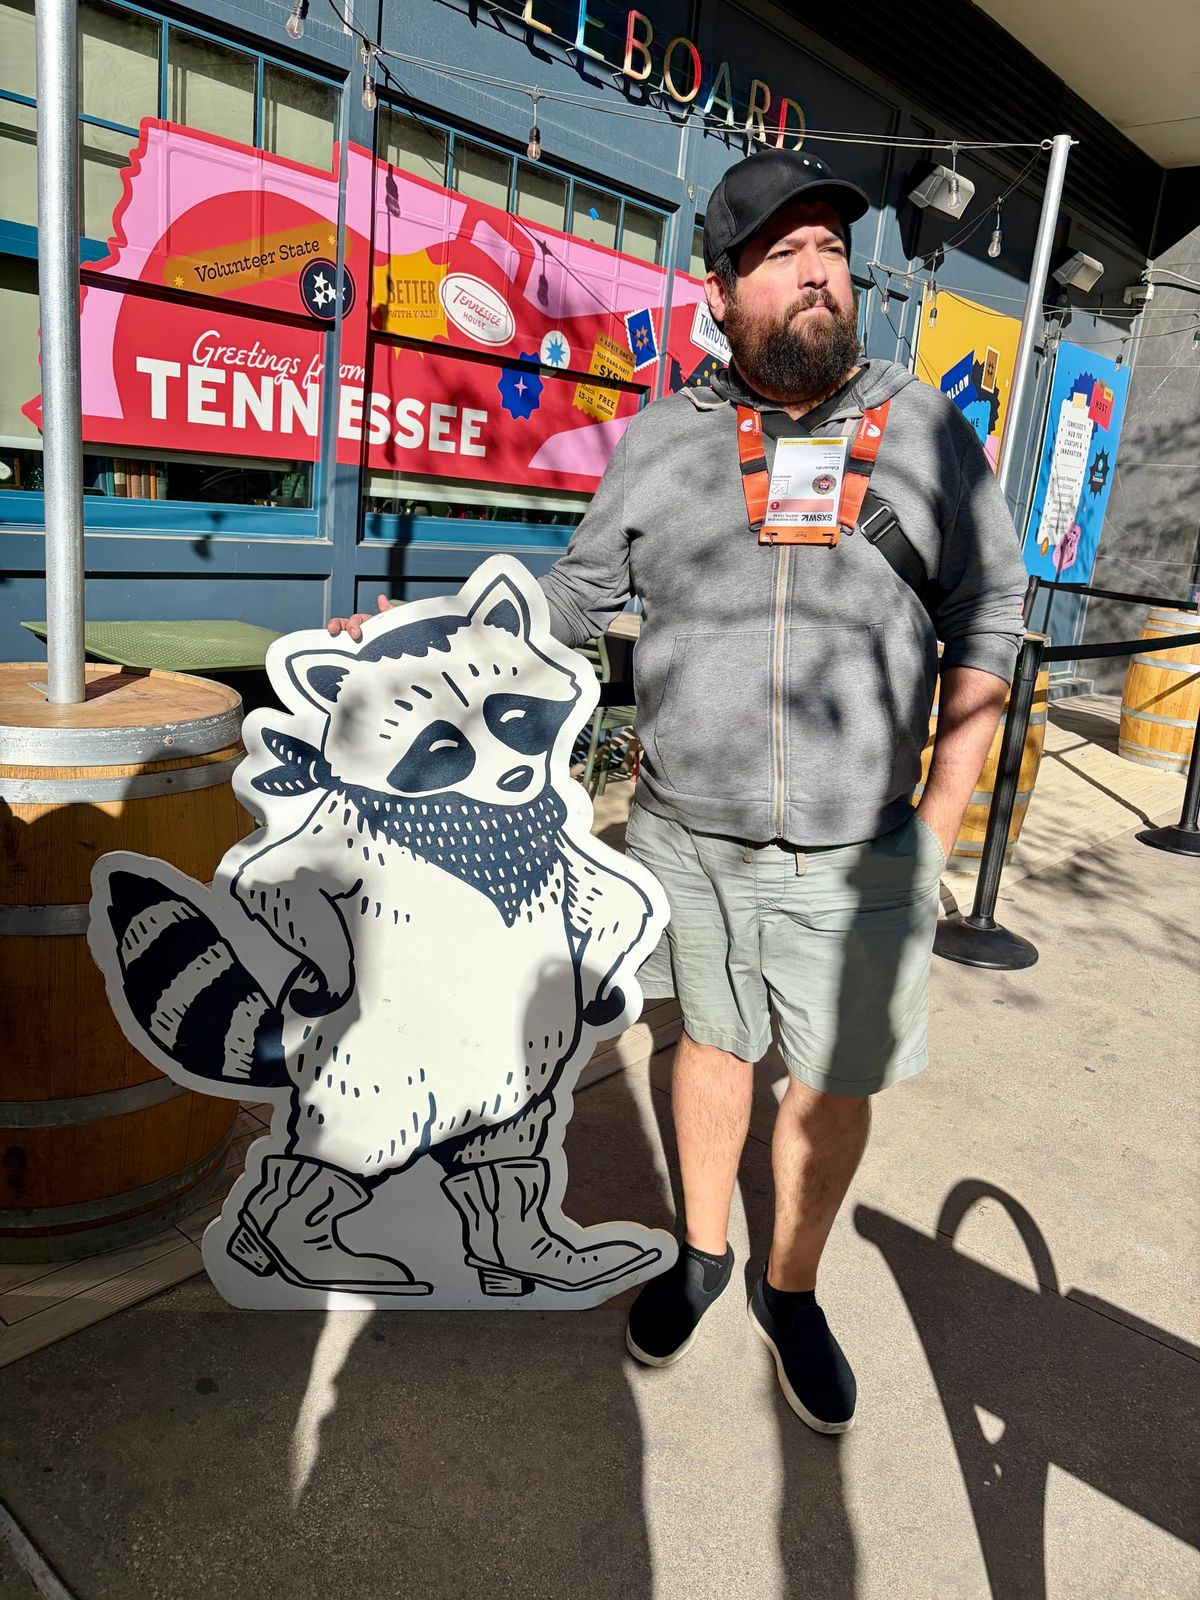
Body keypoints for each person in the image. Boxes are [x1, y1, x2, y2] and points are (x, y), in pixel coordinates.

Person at [329, 148, 1028, 1434]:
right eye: (782, 253)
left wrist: (937, 824)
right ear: (720, 292)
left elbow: (989, 613)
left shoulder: (929, 430)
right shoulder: (661, 441)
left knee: (831, 1085)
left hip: (863, 848)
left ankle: (790, 1287)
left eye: (832, 249)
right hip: (687, 840)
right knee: (708, 1045)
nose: (817, 273)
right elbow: (574, 596)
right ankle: (705, 1253)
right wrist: (415, 637)